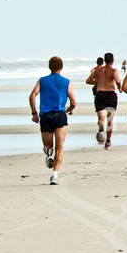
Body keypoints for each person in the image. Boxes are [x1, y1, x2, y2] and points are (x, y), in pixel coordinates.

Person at [29, 57, 76, 185]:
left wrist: (34, 113)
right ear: (61, 67)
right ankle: (54, 175)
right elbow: (73, 102)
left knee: (47, 146)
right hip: (60, 115)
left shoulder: (42, 80)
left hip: (45, 117)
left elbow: (32, 96)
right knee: (59, 148)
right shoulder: (66, 82)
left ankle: (49, 153)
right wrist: (70, 109)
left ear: (49, 67)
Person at [85, 52, 120, 148]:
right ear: (112, 60)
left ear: (104, 60)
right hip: (111, 95)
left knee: (101, 118)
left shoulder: (98, 71)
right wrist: (120, 88)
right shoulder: (114, 70)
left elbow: (88, 81)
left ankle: (101, 126)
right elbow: (118, 81)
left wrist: (98, 82)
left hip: (99, 94)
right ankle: (108, 142)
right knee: (110, 120)